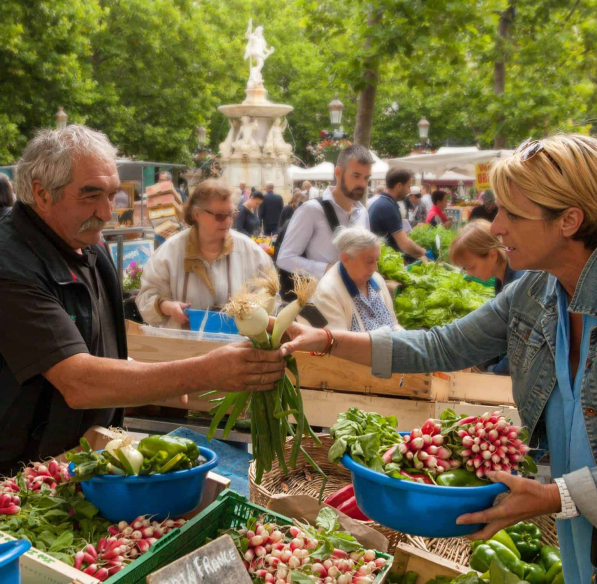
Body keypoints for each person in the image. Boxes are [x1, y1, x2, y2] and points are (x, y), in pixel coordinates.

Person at [277, 134, 597, 584]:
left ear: (569, 220)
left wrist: (554, 496)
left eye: (513, 213)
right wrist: (327, 338)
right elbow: (439, 345)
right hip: (579, 528)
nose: (497, 227)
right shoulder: (535, 294)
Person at [0, 125, 284, 475]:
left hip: (82, 459)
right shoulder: (9, 265)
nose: (107, 212)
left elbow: (96, 342)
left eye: (112, 194)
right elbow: (79, 381)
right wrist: (202, 372)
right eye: (90, 196)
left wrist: (153, 376)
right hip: (21, 477)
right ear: (42, 194)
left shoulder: (88, 243)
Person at [137, 179, 273, 329]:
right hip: (184, 348)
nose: (227, 221)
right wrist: (168, 307)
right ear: (196, 214)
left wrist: (252, 307)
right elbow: (146, 298)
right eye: (220, 216)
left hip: (236, 347)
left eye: (231, 214)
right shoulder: (170, 252)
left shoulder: (250, 251)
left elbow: (270, 295)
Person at [277, 145, 372, 280]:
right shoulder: (311, 210)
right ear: (338, 173)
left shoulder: (363, 213)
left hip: (354, 297)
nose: (362, 184)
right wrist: (327, 269)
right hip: (321, 297)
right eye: (356, 176)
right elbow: (285, 258)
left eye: (366, 178)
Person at [450, 219, 525, 374]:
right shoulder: (500, 280)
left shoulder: (519, 283)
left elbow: (521, 348)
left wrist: (494, 371)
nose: (469, 274)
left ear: (492, 255)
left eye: (471, 267)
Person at [311, 227, 400, 332]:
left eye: (377, 260)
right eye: (369, 261)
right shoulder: (327, 293)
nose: (375, 268)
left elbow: (394, 325)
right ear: (346, 259)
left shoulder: (376, 279)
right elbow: (339, 343)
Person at [369, 169, 428, 261]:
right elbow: (404, 244)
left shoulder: (383, 202)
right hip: (385, 262)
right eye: (408, 187)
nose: (409, 191)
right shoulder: (388, 207)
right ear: (399, 186)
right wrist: (423, 252)